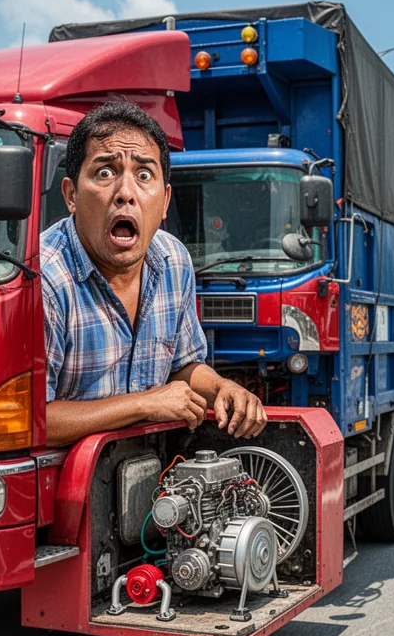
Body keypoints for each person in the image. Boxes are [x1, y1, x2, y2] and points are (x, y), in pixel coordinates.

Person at [41, 102, 267, 448]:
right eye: (105, 172)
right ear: (71, 195)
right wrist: (144, 403)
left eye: (144, 175)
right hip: (63, 487)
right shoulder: (45, 279)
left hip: (144, 477)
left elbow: (183, 367)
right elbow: (31, 419)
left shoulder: (172, 260)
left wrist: (222, 387)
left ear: (164, 202)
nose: (126, 194)